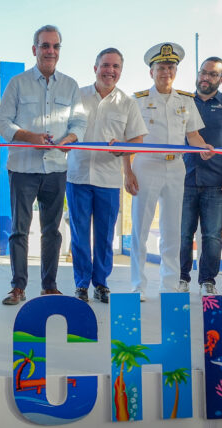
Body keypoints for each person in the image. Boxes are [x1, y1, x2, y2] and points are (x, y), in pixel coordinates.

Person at [0, 25, 87, 305]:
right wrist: (28, 137)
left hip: (56, 169)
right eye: (45, 46)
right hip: (23, 168)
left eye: (55, 46)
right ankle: (18, 288)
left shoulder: (70, 85)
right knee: (19, 230)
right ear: (34, 49)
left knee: (52, 231)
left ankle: (49, 286)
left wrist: (68, 139)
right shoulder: (18, 83)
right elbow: (3, 123)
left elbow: (79, 124)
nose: (50, 51)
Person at [130, 42, 213, 301]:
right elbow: (129, 138)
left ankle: (169, 284)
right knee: (140, 228)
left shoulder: (186, 101)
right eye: (161, 67)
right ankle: (138, 285)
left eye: (171, 67)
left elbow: (194, 135)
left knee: (173, 228)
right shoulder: (138, 100)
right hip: (146, 165)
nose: (166, 72)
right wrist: (127, 171)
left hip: (176, 167)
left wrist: (203, 148)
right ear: (151, 72)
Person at [67, 48, 147, 304]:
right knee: (80, 235)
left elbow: (137, 140)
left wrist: (123, 152)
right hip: (77, 177)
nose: (110, 71)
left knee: (105, 236)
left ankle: (101, 283)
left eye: (115, 67)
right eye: (105, 65)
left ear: (120, 71)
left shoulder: (127, 103)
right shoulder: (77, 96)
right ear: (95, 68)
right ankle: (81, 285)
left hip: (109, 180)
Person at [179, 57, 222, 295]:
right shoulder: (181, 102)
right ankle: (181, 279)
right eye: (203, 72)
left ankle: (207, 281)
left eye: (212, 74)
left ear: (221, 79)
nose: (205, 78)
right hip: (182, 180)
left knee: (212, 235)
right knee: (181, 233)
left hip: (217, 182)